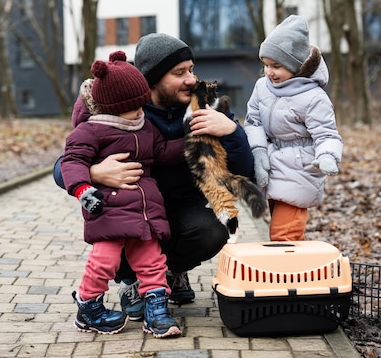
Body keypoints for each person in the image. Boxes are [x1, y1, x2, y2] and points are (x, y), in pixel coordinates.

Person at [54, 33, 254, 320]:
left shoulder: (204, 106)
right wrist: (96, 172)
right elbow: (64, 165)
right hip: (129, 208)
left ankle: (171, 274)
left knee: (213, 229)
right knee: (118, 230)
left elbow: (244, 172)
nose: (191, 79)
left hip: (183, 207)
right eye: (179, 73)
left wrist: (231, 131)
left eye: (192, 69)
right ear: (153, 79)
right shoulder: (119, 107)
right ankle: (131, 282)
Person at [62, 51, 185, 338]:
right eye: (133, 107)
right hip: (109, 211)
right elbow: (72, 161)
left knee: (153, 261)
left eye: (141, 104)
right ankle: (88, 306)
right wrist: (83, 189)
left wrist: (191, 143)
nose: (140, 111)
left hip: (144, 211)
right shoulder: (91, 131)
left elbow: (162, 152)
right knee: (104, 262)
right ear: (113, 107)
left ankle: (157, 310)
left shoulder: (144, 125)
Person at [244, 15, 343, 241]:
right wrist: (259, 151)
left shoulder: (313, 97)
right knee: (284, 234)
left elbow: (326, 133)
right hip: (271, 165)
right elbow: (254, 121)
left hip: (300, 169)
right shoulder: (263, 87)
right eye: (266, 65)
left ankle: (286, 273)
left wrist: (327, 155)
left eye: (276, 66)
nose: (269, 72)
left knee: (283, 236)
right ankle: (297, 272)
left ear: (296, 66)